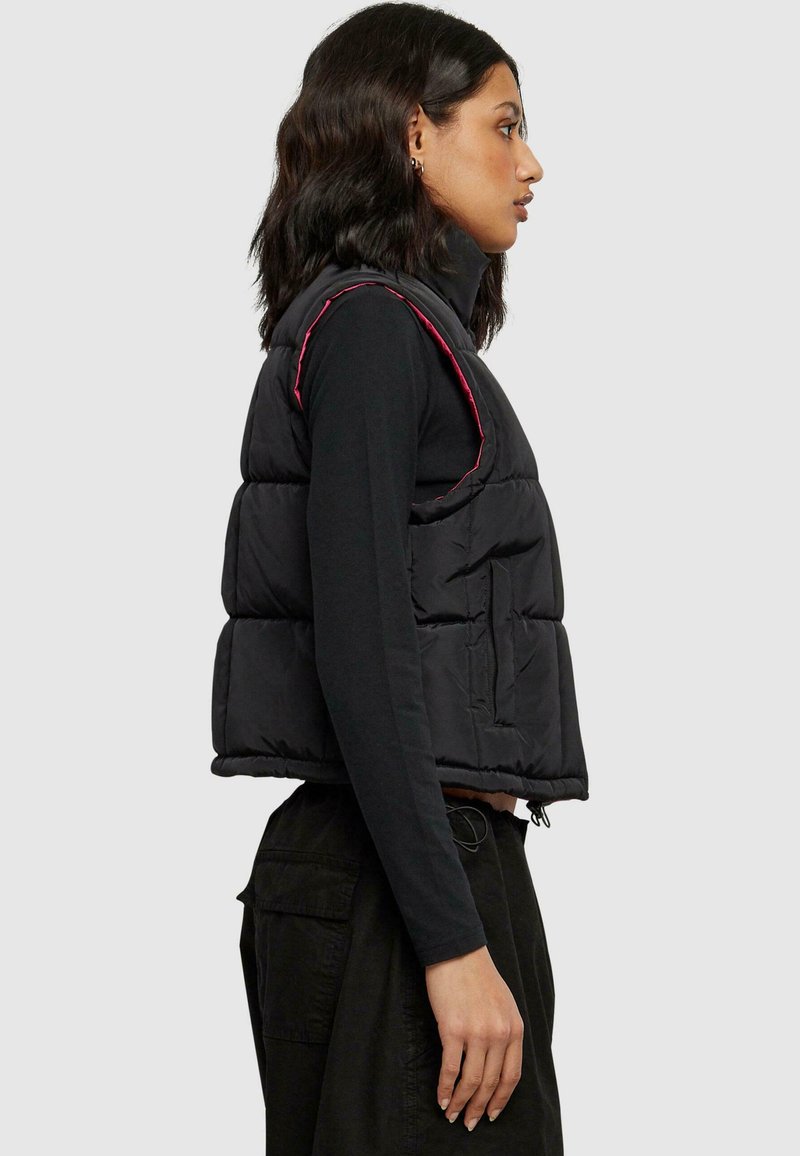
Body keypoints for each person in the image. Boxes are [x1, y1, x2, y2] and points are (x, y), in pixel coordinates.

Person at [209, 4, 589, 1152]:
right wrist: (450, 937)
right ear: (414, 135)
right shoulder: (373, 327)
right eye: (503, 125)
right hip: (404, 878)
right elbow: (361, 645)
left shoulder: (396, 330)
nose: (530, 163)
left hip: (411, 867)